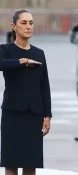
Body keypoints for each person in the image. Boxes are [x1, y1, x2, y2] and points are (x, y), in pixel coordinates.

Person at [0, 9, 52, 175]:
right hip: (12, 113)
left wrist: (47, 115)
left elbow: (44, 85)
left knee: (31, 163)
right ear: (14, 26)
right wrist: (21, 61)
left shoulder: (39, 53)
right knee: (11, 163)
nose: (28, 27)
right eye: (24, 23)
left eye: (31, 23)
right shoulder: (5, 49)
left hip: (34, 114)